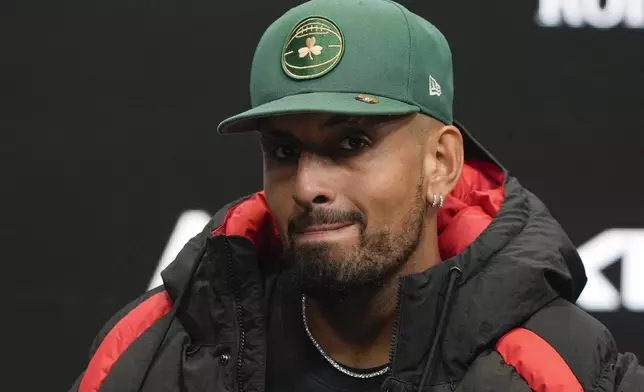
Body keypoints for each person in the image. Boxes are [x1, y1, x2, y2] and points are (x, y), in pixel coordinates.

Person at [70, 0, 644, 391]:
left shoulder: (554, 367)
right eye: (285, 151)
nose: (309, 186)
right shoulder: (150, 350)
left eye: (351, 142)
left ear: (440, 163)